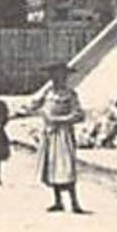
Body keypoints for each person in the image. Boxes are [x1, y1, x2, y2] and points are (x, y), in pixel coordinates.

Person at [30, 62, 85, 213]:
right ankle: (57, 201)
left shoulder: (70, 95)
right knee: (51, 166)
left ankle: (74, 202)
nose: (57, 80)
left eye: (60, 77)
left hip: (63, 133)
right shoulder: (47, 94)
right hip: (50, 133)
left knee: (66, 167)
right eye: (54, 77)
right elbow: (33, 106)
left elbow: (79, 114)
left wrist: (61, 120)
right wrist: (41, 110)